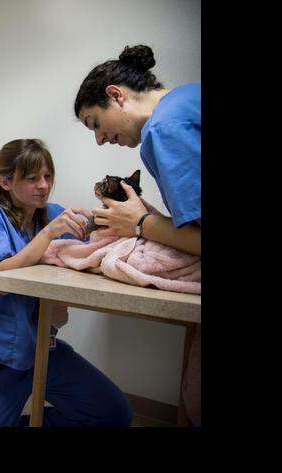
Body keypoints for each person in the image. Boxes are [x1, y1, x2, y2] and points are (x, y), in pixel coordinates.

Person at [0, 138, 133, 427]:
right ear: (5, 181)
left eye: (47, 176)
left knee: (114, 414)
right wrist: (48, 234)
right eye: (32, 178)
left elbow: (89, 250)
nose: (43, 185)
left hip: (42, 349)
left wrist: (111, 218)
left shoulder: (52, 213)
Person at [74, 45, 202, 425]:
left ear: (116, 95)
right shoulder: (187, 98)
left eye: (94, 123)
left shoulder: (164, 129)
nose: (99, 139)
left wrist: (141, 225)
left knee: (195, 399)